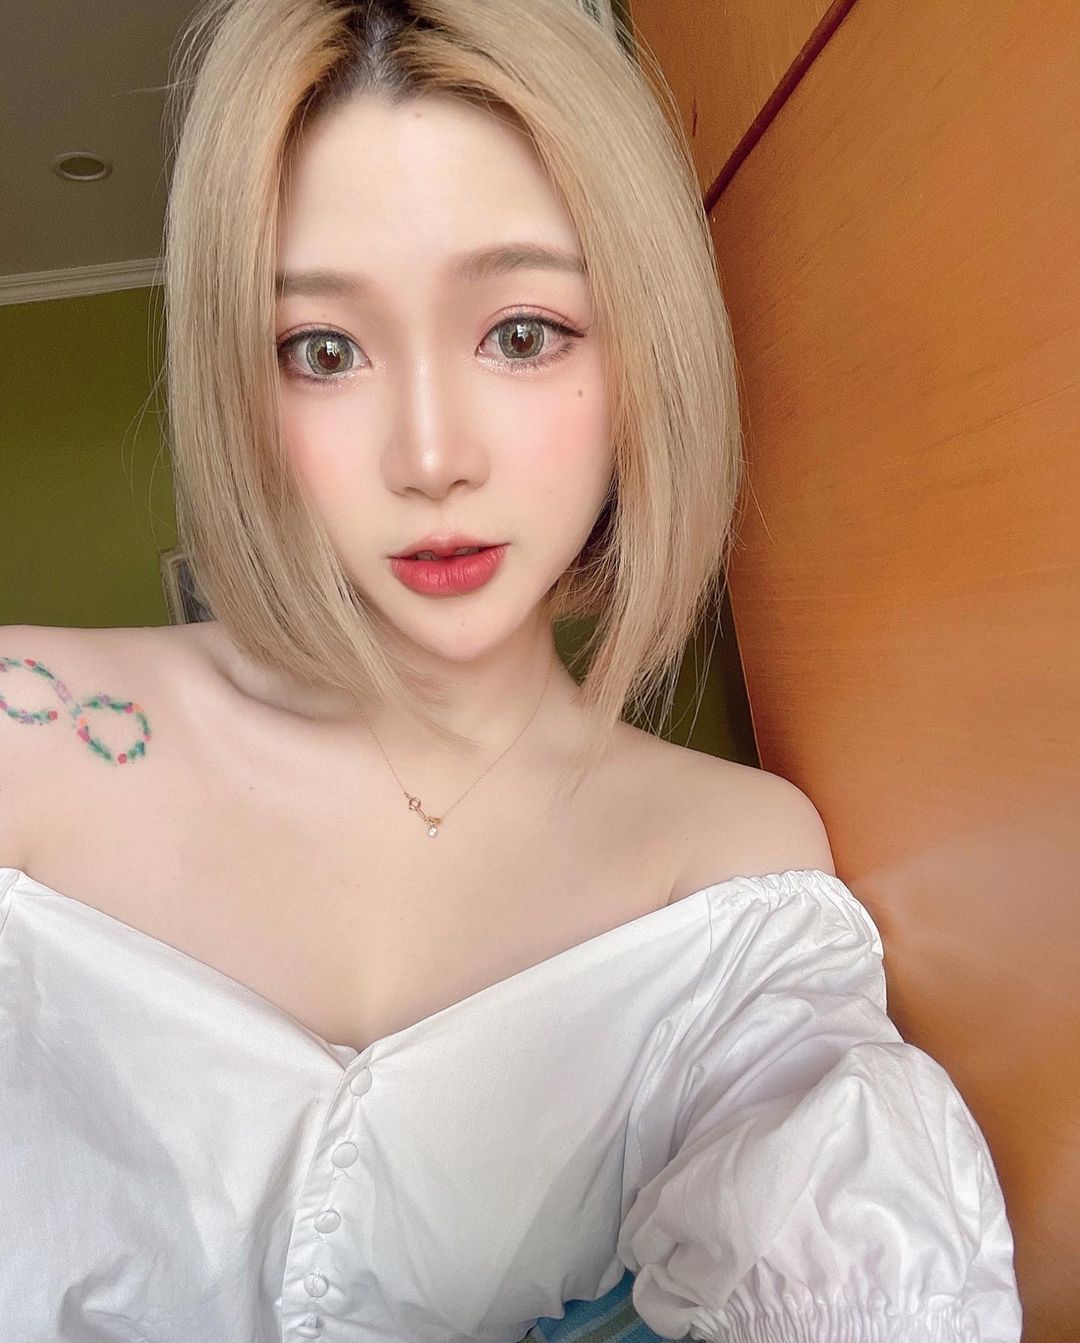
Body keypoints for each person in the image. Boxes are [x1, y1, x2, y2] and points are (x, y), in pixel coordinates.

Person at [0, 0, 1022, 1339]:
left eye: (524, 333)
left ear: (644, 348)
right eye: (323, 350)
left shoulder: (722, 865)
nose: (431, 456)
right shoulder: (27, 729)